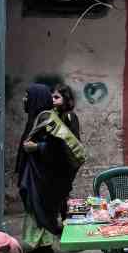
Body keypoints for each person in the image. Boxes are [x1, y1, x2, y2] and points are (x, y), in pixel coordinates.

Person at [16, 84, 72, 253]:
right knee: (34, 214)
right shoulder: (36, 118)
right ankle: (39, 250)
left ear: (37, 99)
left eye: (27, 96)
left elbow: (59, 150)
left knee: (41, 214)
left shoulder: (49, 121)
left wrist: (37, 148)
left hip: (44, 179)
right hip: (36, 177)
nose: (24, 100)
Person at [52, 84, 81, 222]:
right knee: (61, 193)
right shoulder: (58, 115)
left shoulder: (69, 116)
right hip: (60, 162)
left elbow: (72, 142)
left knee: (62, 192)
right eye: (52, 97)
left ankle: (66, 221)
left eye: (57, 97)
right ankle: (65, 221)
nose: (53, 99)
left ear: (66, 99)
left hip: (67, 163)